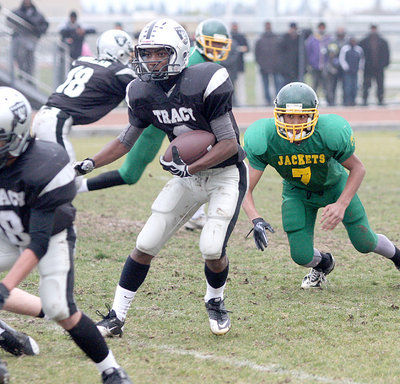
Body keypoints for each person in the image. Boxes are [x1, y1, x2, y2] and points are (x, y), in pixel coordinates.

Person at [74, 18, 247, 336]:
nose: (152, 60)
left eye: (160, 53)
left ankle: (215, 300)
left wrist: (190, 168)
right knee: (145, 242)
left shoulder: (205, 79)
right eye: (147, 53)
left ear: (179, 52)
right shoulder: (141, 91)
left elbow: (229, 144)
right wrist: (89, 162)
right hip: (187, 176)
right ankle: (116, 316)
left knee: (211, 248)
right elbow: (125, 141)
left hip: (224, 173)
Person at [0, 87, 132, 383]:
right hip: (5, 233)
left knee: (61, 308)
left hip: (49, 238)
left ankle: (111, 370)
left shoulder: (44, 165)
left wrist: (7, 287)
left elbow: (37, 242)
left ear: (18, 136)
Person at [242, 82, 400, 289]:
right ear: (279, 115)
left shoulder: (329, 132)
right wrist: (256, 219)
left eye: (302, 116)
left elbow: (358, 168)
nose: (295, 123)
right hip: (296, 192)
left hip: (335, 187)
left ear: (313, 116)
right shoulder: (264, 137)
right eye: (290, 116)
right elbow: (245, 187)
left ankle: (398, 257)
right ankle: (323, 263)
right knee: (300, 255)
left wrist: (341, 204)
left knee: (364, 242)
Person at [80, 18, 232, 231]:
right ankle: (75, 187)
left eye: (220, 45)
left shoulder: (207, 68)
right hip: (160, 117)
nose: (215, 49)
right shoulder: (194, 64)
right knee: (130, 174)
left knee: (193, 155)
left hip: (182, 120)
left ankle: (196, 213)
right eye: (212, 43)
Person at [32, 29, 135, 189]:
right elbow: (142, 89)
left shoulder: (81, 61)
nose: (129, 58)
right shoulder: (120, 71)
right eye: (127, 54)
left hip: (44, 117)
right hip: (56, 122)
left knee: (54, 178)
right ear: (120, 52)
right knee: (68, 182)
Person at [7, 0, 48, 78]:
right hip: (19, 42)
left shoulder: (37, 14)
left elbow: (44, 25)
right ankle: (22, 75)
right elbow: (10, 21)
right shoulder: (17, 13)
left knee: (30, 60)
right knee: (20, 58)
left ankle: (29, 77)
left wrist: (36, 30)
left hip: (31, 41)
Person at [359, 25, 390, 106]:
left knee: (380, 85)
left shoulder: (383, 42)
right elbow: (360, 54)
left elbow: (387, 54)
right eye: (372, 29)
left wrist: (385, 64)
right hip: (368, 68)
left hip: (379, 68)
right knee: (366, 85)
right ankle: (364, 100)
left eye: (374, 29)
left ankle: (380, 99)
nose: (373, 30)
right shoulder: (363, 42)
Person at [255, 21, 284, 105]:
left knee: (277, 85)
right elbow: (257, 54)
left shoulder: (277, 39)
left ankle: (278, 101)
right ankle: (267, 101)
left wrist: (278, 64)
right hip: (264, 67)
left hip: (276, 67)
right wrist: (261, 64)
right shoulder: (260, 40)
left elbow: (281, 53)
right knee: (266, 86)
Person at [305, 22, 332, 104]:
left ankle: (330, 101)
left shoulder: (328, 39)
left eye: (323, 27)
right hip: (315, 66)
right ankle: (312, 102)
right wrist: (310, 63)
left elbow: (333, 50)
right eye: (320, 27)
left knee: (327, 86)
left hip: (325, 66)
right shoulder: (312, 39)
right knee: (314, 85)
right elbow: (308, 52)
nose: (321, 29)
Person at [339, 37, 364, 106]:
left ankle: (353, 100)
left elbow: (361, 59)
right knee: (347, 87)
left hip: (355, 71)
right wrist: (346, 68)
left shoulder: (359, 49)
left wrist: (359, 68)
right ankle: (346, 101)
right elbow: (341, 59)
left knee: (355, 87)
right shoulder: (345, 49)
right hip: (347, 72)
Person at [229, 22, 249, 106]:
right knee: (230, 86)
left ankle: (242, 102)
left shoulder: (241, 37)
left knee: (240, 86)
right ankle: (231, 102)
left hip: (240, 66)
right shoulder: (229, 37)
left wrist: (239, 49)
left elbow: (247, 48)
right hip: (230, 67)